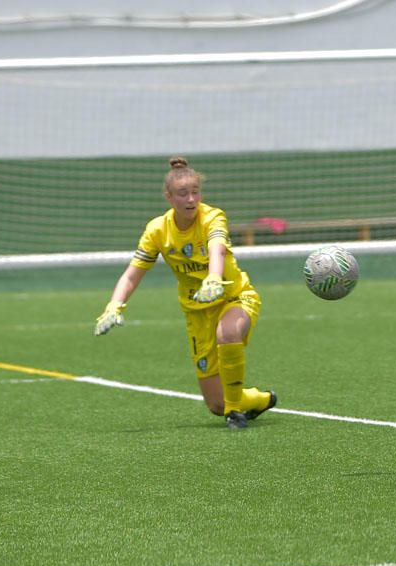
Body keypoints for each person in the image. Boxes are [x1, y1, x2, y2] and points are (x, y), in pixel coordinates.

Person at [93, 157, 276, 429]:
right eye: (183, 194)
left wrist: (214, 278)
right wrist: (114, 306)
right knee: (216, 405)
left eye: (195, 192)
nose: (191, 199)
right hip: (196, 313)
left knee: (227, 333)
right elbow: (132, 274)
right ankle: (259, 400)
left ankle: (235, 412)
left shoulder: (213, 216)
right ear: (169, 197)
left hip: (233, 297)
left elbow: (217, 248)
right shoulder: (157, 230)